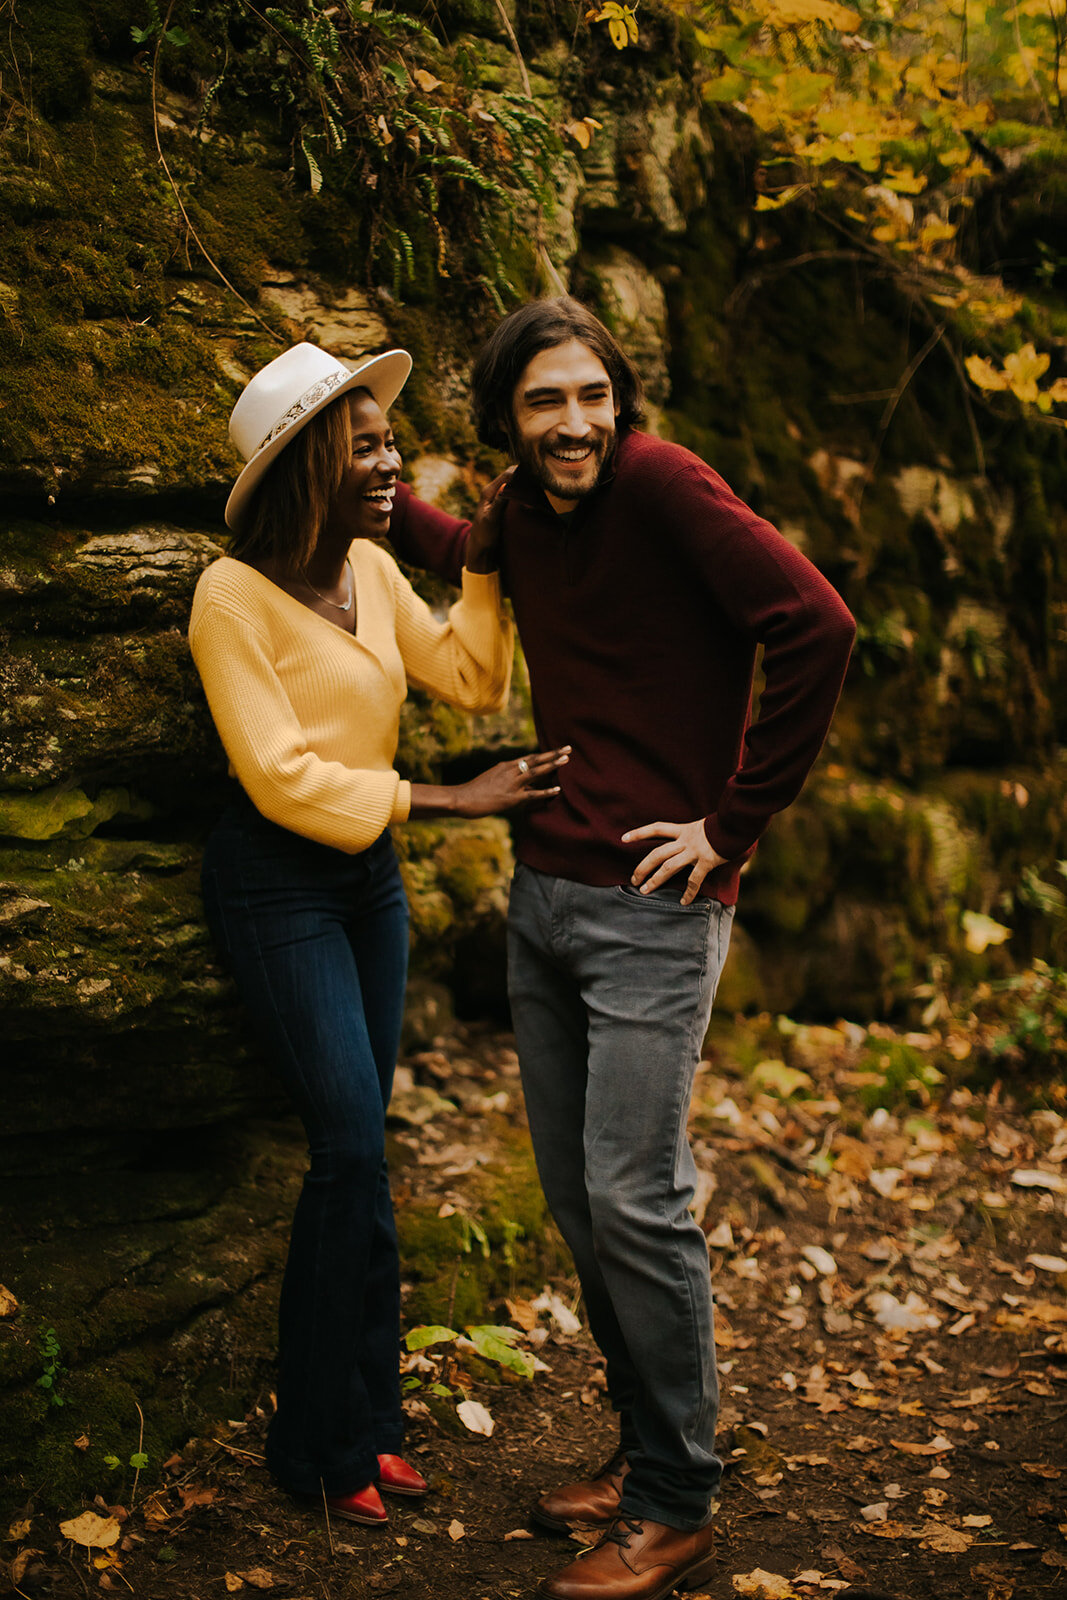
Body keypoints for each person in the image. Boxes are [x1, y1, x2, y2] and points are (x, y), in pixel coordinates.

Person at [387, 297, 857, 1600]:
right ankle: (647, 1445)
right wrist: (359, 496)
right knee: (585, 1208)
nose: (575, 421)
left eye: (592, 394)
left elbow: (813, 625)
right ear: (507, 419)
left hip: (654, 911)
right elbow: (462, 545)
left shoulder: (657, 483)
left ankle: (673, 1500)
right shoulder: (527, 514)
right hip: (542, 898)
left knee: (637, 1203)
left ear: (620, 399)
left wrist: (730, 820)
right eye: (545, 401)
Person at [188, 342, 568, 1530]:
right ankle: (312, 1443)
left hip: (368, 882)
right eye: (367, 443)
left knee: (369, 1158)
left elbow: (472, 679)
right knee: (347, 1143)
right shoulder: (228, 597)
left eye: (388, 441)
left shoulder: (367, 563)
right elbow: (278, 774)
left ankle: (372, 1424)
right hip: (278, 884)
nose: (392, 460)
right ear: (308, 458)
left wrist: (490, 566)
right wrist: (450, 800)